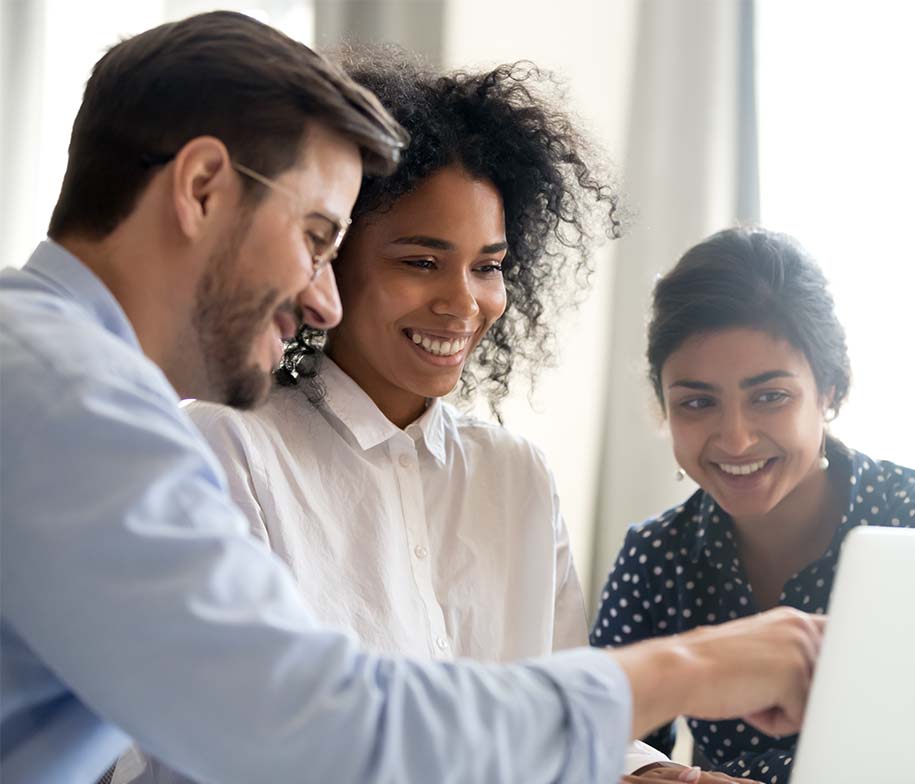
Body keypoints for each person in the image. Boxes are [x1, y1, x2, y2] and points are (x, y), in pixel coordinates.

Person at [0, 12, 825, 781]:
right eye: (319, 237)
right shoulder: (74, 401)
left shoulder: (48, 368)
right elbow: (311, 725)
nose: (321, 302)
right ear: (204, 186)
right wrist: (696, 668)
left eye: (487, 265)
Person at [113, 46, 672, 783]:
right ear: (327, 261)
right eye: (420, 261)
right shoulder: (227, 446)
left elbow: (561, 721)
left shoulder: (516, 476)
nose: (463, 303)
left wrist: (646, 773)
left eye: (488, 266)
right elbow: (241, 740)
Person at [592, 226, 915, 783]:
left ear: (830, 390)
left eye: (770, 396)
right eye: (698, 402)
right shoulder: (656, 556)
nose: (736, 439)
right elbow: (604, 740)